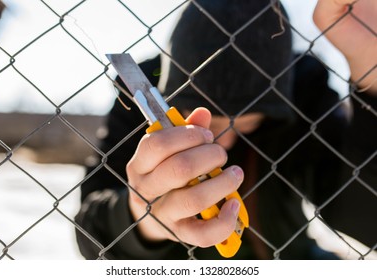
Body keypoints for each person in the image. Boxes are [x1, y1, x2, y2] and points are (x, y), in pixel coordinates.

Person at [75, 0, 376, 259]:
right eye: (209, 123)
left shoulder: (304, 90)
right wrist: (142, 221)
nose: (223, 144)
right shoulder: (141, 93)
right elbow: (89, 233)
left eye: (249, 124)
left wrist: (372, 81)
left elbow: (364, 219)